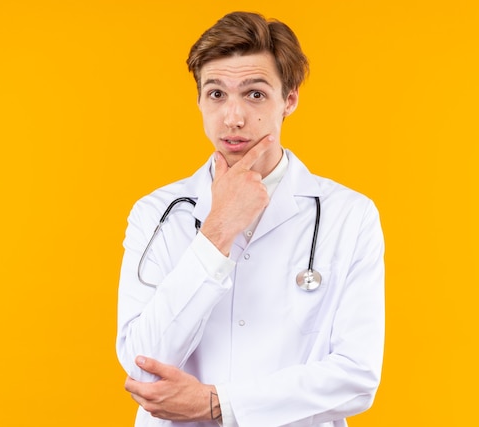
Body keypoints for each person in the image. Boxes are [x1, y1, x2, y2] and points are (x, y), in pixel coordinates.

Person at [116, 11, 385, 427]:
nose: (233, 118)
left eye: (255, 94)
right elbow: (143, 365)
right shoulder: (157, 213)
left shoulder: (349, 215)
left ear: (289, 99)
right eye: (217, 94)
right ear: (200, 100)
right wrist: (217, 230)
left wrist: (219, 403)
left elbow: (356, 376)